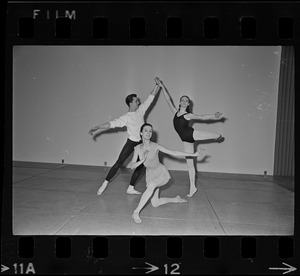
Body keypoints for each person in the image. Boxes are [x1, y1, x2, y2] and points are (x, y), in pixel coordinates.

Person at [155, 77, 224, 197]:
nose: (184, 102)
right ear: (180, 102)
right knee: (190, 164)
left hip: (192, 134)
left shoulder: (188, 115)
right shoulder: (175, 111)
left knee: (213, 136)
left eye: (186, 101)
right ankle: (193, 187)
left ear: (188, 104)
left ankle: (217, 136)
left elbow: (202, 117)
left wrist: (214, 116)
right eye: (182, 100)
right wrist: (162, 86)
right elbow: (168, 100)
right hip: (186, 140)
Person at [89, 81, 160, 196]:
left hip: (141, 144)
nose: (138, 102)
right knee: (119, 163)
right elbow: (111, 124)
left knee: (140, 165)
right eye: (136, 101)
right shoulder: (126, 117)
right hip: (131, 142)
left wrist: (157, 85)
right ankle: (105, 183)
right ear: (130, 103)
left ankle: (131, 188)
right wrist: (98, 127)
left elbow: (150, 98)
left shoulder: (140, 111)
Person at [130, 123, 202, 224]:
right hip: (150, 174)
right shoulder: (137, 148)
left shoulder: (155, 146)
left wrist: (192, 154)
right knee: (155, 203)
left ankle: (136, 212)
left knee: (151, 185)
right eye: (146, 130)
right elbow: (132, 165)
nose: (148, 133)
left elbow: (174, 152)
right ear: (141, 133)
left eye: (150, 131)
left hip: (161, 173)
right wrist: (141, 160)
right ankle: (176, 199)